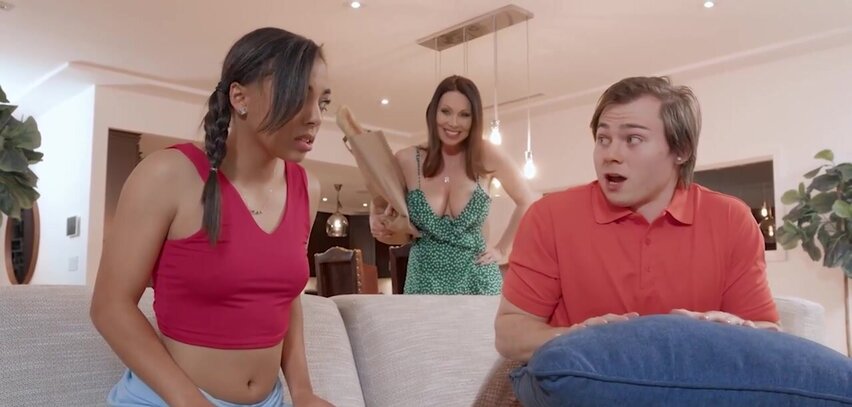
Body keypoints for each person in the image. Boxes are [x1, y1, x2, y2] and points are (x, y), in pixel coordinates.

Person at [90, 27, 333, 407]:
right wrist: (190, 401)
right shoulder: (167, 175)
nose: (315, 117)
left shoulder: (307, 188)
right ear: (240, 97)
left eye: (323, 102)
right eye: (298, 96)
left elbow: (283, 297)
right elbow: (110, 307)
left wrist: (302, 391)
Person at [495, 76, 780, 363]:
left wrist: (731, 332)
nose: (610, 155)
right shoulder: (549, 216)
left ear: (681, 150)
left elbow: (768, 334)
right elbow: (510, 335)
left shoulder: (731, 219)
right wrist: (579, 340)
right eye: (603, 139)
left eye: (632, 139)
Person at [370, 75, 538, 295]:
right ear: (433, 113)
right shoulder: (407, 159)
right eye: (446, 111)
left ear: (474, 119)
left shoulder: (486, 154)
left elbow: (528, 201)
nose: (454, 123)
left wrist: (501, 249)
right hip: (423, 279)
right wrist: (374, 220)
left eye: (464, 115)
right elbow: (379, 202)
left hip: (478, 278)